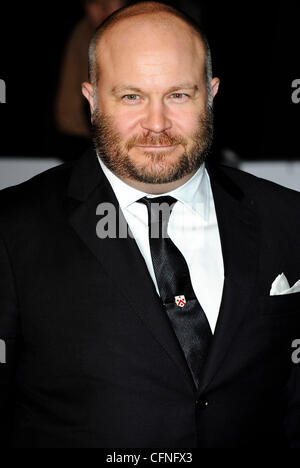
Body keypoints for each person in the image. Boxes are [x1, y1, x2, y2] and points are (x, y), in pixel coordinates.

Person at [0, 1, 300, 448]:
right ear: (92, 99)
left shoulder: (287, 218)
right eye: (131, 96)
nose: (156, 124)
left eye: (178, 95)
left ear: (211, 93)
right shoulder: (13, 227)